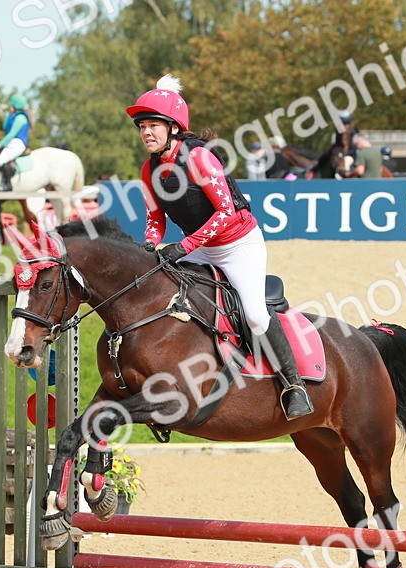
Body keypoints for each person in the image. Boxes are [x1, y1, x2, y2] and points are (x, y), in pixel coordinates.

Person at [127, 74, 314, 420]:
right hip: (198, 246)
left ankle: (294, 385)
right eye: (142, 127)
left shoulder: (200, 158)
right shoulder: (148, 169)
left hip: (237, 243)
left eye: (154, 125)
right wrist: (151, 247)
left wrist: (182, 247)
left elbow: (226, 212)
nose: (146, 133)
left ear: (173, 128)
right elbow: (156, 220)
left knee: (256, 313)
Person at [0, 93, 32, 190]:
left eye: (11, 105)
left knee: (1, 159)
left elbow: (12, 134)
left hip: (18, 143)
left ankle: (7, 184)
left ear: (15, 105)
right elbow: (4, 127)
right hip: (12, 143)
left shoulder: (21, 118)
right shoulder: (14, 116)